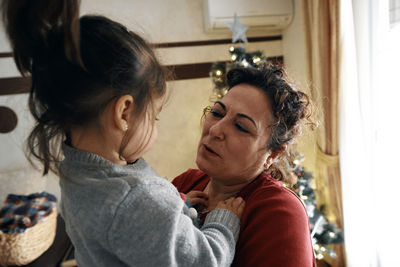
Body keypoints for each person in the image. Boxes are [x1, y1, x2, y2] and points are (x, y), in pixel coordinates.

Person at [1, 1, 246, 266]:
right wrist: (223, 221)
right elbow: (206, 260)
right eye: (154, 116)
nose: (154, 127)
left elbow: (132, 234)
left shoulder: (76, 172)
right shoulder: (136, 201)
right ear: (124, 112)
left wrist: (180, 208)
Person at [173, 65, 317, 267]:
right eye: (216, 112)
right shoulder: (185, 183)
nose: (215, 129)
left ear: (273, 154)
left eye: (241, 127)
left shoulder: (280, 212)